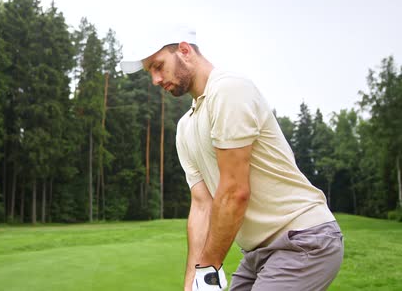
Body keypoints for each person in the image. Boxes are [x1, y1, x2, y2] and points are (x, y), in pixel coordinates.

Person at [119, 25, 344, 291]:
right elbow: (202, 206)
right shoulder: (185, 127)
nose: (156, 80)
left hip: (303, 239)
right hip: (258, 254)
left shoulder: (228, 90)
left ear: (184, 50)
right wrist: (193, 280)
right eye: (150, 73)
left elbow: (235, 191)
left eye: (158, 66)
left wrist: (209, 267)